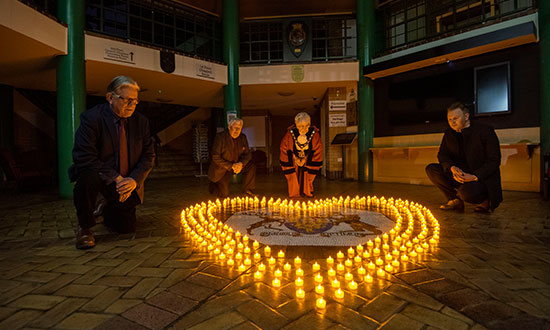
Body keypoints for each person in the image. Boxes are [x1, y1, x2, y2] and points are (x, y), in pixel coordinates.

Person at [69, 76, 155, 249]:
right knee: (87, 176)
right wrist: (116, 178)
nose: (132, 105)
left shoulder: (141, 122)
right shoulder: (92, 118)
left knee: (126, 228)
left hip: (126, 181)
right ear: (110, 97)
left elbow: (148, 155)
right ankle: (85, 227)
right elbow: (84, 156)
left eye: (136, 101)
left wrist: (133, 180)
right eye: (128, 100)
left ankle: (105, 208)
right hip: (100, 176)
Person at [425, 102, 502, 213]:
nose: (452, 122)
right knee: (432, 169)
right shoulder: (449, 133)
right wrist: (451, 167)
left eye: (455, 118)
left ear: (466, 116)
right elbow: (442, 155)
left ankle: (485, 199)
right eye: (449, 119)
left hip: (479, 178)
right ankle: (454, 200)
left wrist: (474, 176)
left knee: (466, 194)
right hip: (459, 174)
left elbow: (494, 161)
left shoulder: (485, 131)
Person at [208, 118, 256, 197]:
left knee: (251, 166)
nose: (237, 131)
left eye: (239, 129)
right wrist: (231, 166)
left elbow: (248, 154)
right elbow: (215, 156)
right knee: (224, 194)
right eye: (235, 128)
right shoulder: (220, 137)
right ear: (229, 127)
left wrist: (241, 164)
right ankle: (214, 183)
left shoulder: (243, 137)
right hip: (224, 167)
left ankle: (248, 189)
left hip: (237, 164)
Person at [280, 112, 323, 198]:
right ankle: (294, 193)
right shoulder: (290, 133)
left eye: (305, 126)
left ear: (309, 124)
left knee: (307, 175)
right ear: (296, 125)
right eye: (300, 126)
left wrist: (305, 160)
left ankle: (307, 191)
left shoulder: (314, 134)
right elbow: (284, 147)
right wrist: (295, 159)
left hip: (308, 160)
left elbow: (317, 148)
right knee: (293, 176)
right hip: (294, 160)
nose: (303, 129)